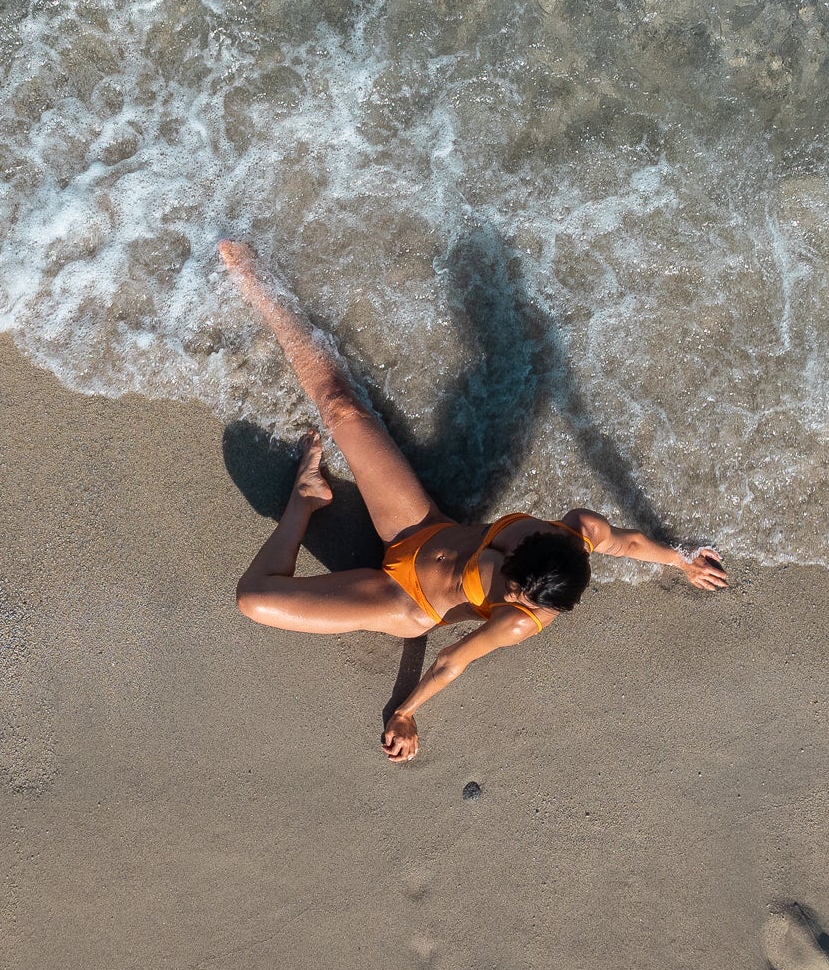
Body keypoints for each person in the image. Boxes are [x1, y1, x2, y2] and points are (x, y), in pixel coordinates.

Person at [220, 242, 728, 762]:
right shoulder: (579, 528)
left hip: (402, 598)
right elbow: (630, 542)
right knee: (342, 406)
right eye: (516, 587)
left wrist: (405, 712)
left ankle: (304, 501)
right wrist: (680, 558)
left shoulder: (518, 621)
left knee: (254, 599)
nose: (517, 602)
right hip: (416, 529)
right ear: (526, 545)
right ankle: (259, 285)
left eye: (526, 603)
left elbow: (451, 659)